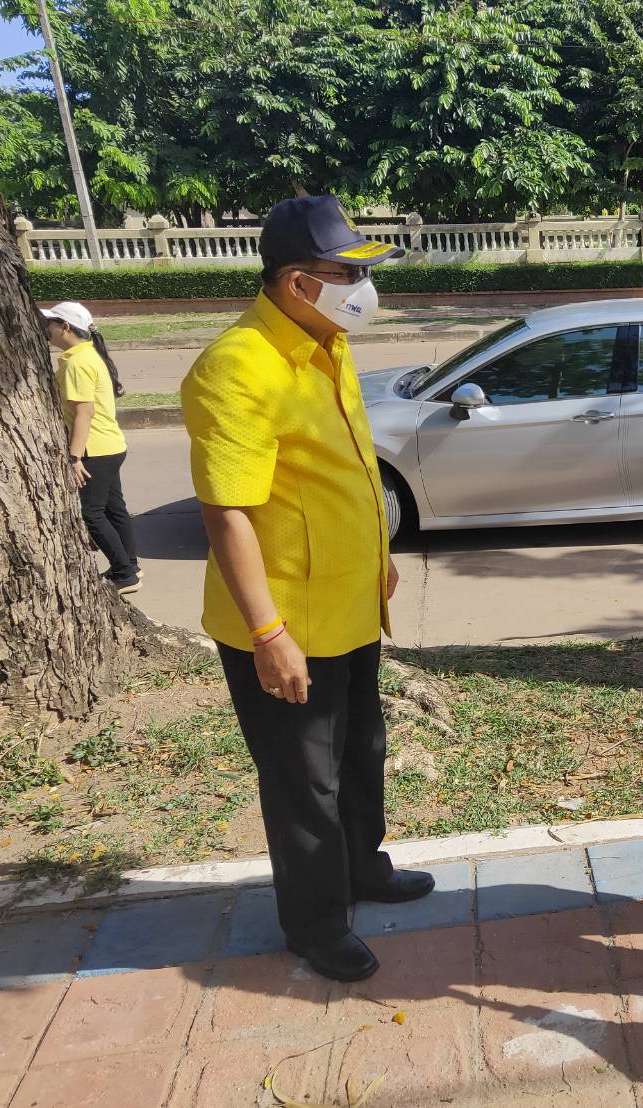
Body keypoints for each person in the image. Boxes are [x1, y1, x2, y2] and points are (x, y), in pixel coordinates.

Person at [181, 196, 433, 983]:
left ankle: (365, 868)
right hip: (286, 619)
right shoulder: (236, 367)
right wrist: (267, 634)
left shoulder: (324, 342)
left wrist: (379, 553)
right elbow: (229, 515)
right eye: (346, 272)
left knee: (361, 749)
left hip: (350, 600)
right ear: (296, 282)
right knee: (302, 779)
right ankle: (316, 923)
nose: (362, 286)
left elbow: (344, 469)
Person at [43, 301, 141, 595]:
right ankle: (130, 565)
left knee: (91, 513)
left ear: (65, 327)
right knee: (114, 509)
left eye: (50, 323)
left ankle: (125, 575)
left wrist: (74, 456)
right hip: (110, 445)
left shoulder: (76, 363)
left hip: (93, 450)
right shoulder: (87, 355)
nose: (46, 329)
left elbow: (84, 412)